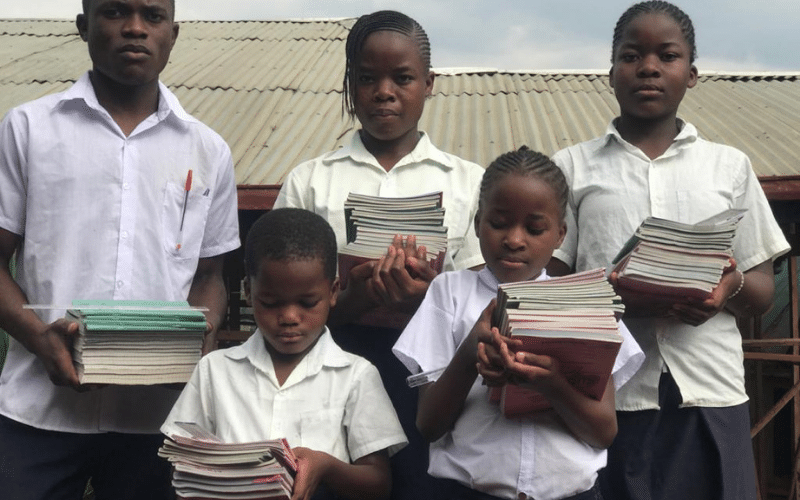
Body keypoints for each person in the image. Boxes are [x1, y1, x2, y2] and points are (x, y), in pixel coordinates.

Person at [547, 2, 791, 499]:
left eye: (668, 56)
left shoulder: (729, 167)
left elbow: (763, 287)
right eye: (632, 55)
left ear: (693, 74)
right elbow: (547, 287)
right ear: (611, 72)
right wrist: (614, 299)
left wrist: (728, 288)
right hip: (606, 395)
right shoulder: (571, 168)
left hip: (709, 390)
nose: (649, 68)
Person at [0, 0, 240, 498]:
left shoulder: (208, 149)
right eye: (114, 12)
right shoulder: (29, 130)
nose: (135, 29)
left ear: (173, 33)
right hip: (37, 412)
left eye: (152, 16)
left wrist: (205, 334)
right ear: (83, 26)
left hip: (157, 419)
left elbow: (210, 276)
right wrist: (40, 339)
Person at [272, 10, 485, 499]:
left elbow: (482, 303)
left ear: (429, 83)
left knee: (423, 487)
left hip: (433, 378)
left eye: (403, 78)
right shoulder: (311, 181)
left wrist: (426, 302)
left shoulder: (466, 183)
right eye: (367, 78)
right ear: (350, 83)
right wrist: (351, 299)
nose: (384, 91)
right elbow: (276, 297)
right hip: (332, 367)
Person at [393, 147, 644, 500]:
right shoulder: (449, 293)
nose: (513, 239)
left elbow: (603, 433)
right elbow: (429, 426)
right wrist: (470, 355)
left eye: (534, 228)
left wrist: (552, 383)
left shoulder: (586, 302)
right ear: (478, 222)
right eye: (498, 223)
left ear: (560, 235)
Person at [162, 208, 408, 500]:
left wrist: (326, 467)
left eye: (307, 303)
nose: (290, 317)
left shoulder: (355, 375)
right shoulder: (214, 370)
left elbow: (379, 483)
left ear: (333, 292)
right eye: (270, 302)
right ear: (248, 292)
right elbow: (182, 465)